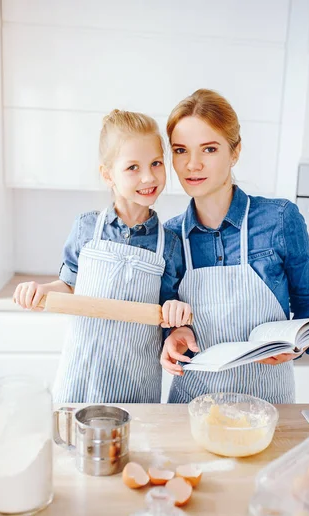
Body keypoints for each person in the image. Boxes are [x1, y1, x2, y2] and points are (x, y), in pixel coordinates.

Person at [161, 89, 309, 404]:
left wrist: (298, 345)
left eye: (209, 149)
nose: (192, 164)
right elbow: (164, 322)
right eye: (180, 150)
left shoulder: (280, 219)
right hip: (191, 406)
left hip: (269, 405)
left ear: (235, 152)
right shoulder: (169, 235)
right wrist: (170, 338)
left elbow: (308, 308)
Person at [13, 109, 191, 403]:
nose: (148, 176)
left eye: (156, 163)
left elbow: (167, 313)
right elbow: (69, 285)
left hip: (136, 384)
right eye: (132, 167)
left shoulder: (169, 244)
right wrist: (41, 290)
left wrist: (177, 312)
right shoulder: (86, 228)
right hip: (81, 374)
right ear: (108, 174)